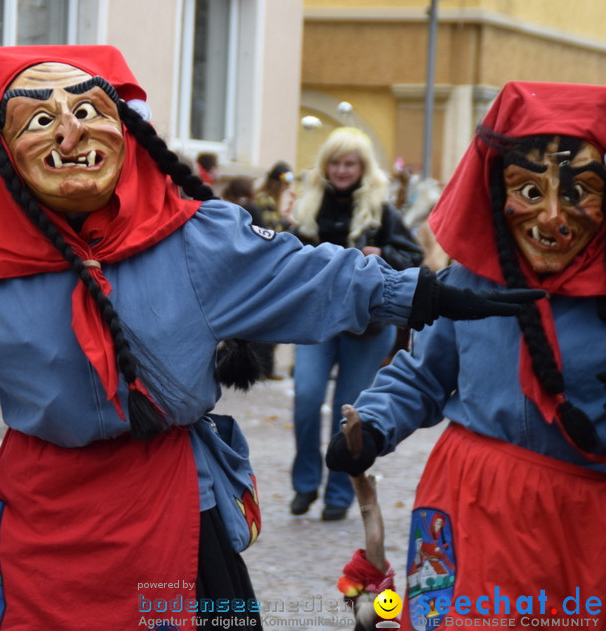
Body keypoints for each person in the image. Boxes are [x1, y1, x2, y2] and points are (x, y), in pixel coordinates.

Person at [0, 45, 536, 631]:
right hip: (53, 515)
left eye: (84, 110)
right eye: (40, 119)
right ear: (4, 152)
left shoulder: (194, 239)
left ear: (123, 128)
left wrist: (430, 292)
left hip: (178, 500)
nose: (68, 133)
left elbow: (312, 276)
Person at [327, 81, 606, 629]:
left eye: (577, 192)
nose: (551, 217)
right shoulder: (469, 281)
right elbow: (424, 375)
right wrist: (374, 426)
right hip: (470, 504)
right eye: (529, 191)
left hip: (583, 521)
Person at [287, 127, 424, 521]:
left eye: (350, 163)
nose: (342, 170)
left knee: (351, 414)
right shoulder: (309, 206)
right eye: (335, 162)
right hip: (315, 322)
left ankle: (339, 494)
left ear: (363, 168)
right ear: (325, 165)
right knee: (307, 397)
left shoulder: (381, 209)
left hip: (366, 327)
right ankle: (305, 484)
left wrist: (382, 251)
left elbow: (414, 257)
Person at [254, 161, 295, 233]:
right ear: (277, 185)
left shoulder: (264, 197)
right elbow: (273, 230)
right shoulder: (264, 199)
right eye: (285, 185)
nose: (287, 187)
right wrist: (287, 223)